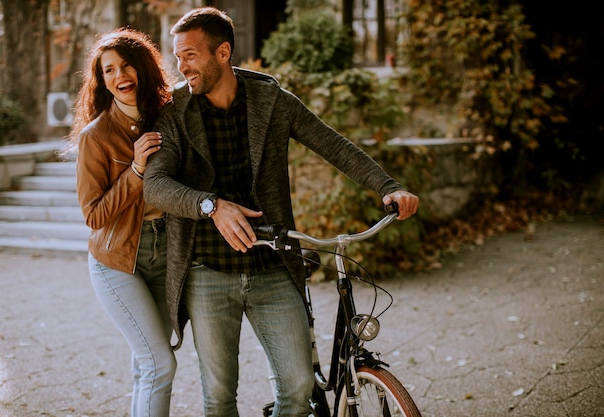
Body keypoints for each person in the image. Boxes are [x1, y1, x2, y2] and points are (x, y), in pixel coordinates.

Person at [143, 6, 420, 417]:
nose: (180, 66)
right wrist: (211, 206)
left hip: (272, 265)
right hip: (206, 272)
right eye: (177, 55)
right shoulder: (175, 113)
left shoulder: (271, 101)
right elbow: (156, 184)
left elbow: (334, 145)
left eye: (189, 55)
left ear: (223, 53)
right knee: (219, 399)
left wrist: (389, 187)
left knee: (299, 386)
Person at [69, 28, 176, 417]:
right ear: (102, 80)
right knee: (160, 364)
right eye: (108, 70)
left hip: (167, 253)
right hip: (116, 261)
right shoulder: (95, 137)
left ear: (143, 68)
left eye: (126, 65)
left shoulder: (168, 116)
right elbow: (93, 215)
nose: (119, 75)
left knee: (147, 362)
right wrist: (135, 168)